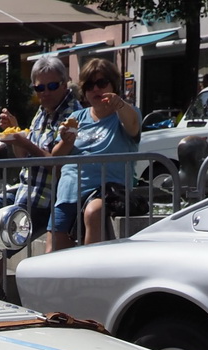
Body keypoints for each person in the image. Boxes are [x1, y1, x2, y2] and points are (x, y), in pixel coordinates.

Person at [0, 54, 81, 292]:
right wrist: (16, 130)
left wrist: (25, 142)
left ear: (64, 83)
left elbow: (55, 162)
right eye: (40, 87)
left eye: (51, 86)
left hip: (46, 197)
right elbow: (23, 158)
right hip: (25, 190)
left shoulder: (71, 115)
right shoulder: (43, 111)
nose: (45, 92)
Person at [50, 56, 140, 248]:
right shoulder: (76, 117)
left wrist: (120, 105)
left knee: (93, 212)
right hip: (69, 192)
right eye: (90, 85)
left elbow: (133, 126)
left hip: (107, 192)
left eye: (101, 83)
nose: (96, 89)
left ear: (113, 85)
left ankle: (89, 273)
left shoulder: (126, 113)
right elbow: (56, 157)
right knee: (52, 250)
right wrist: (66, 141)